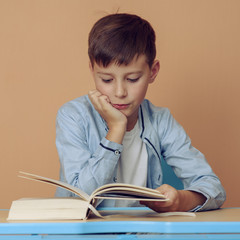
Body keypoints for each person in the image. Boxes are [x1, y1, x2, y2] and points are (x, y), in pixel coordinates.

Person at [55, 13, 226, 212]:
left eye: (133, 79)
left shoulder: (160, 120)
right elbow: (80, 197)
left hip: (140, 232)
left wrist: (180, 199)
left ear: (152, 72)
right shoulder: (73, 116)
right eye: (107, 80)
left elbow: (214, 188)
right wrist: (116, 129)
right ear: (92, 70)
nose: (120, 93)